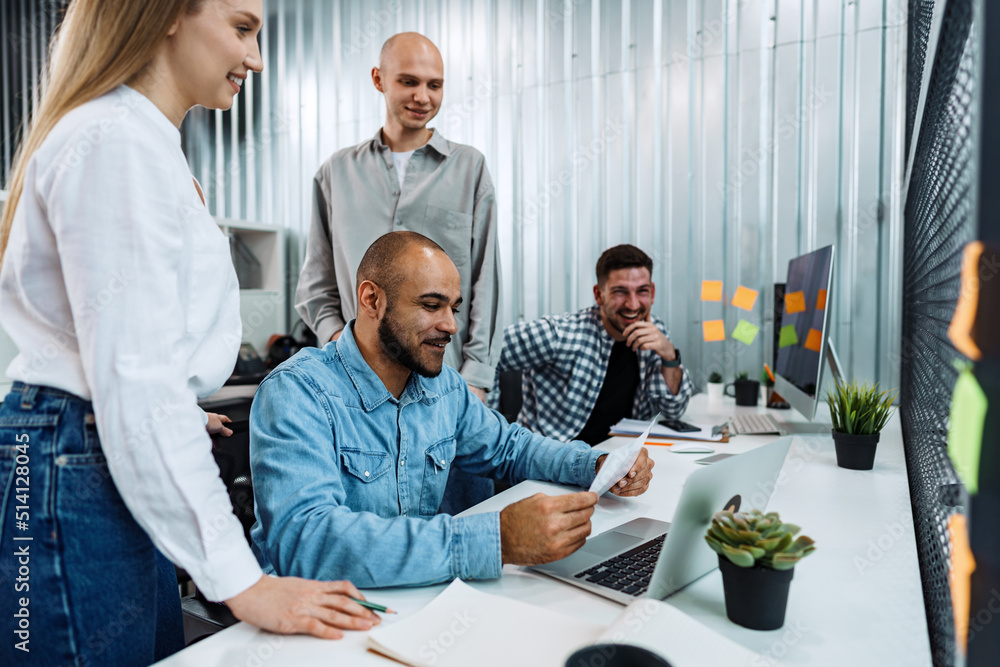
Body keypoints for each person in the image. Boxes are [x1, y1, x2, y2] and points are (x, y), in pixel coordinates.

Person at [0, 2, 377, 664]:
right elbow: (133, 375)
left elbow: (128, 359)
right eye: (242, 28)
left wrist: (162, 410)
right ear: (170, 14)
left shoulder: (144, 143)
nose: (256, 59)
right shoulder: (115, 140)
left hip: (91, 447)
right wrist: (244, 581)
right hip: (73, 459)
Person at [250, 232, 654, 587]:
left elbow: (510, 449)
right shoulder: (297, 393)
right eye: (431, 305)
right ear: (371, 300)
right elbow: (310, 543)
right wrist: (496, 539)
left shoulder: (440, 384)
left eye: (454, 308)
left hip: (413, 593)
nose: (451, 326)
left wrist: (597, 464)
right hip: (316, 614)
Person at [294, 31, 502, 513]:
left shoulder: (469, 168)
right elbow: (316, 283)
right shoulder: (335, 173)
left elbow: (485, 280)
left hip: (444, 392)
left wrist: (475, 378)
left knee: (459, 536)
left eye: (435, 85)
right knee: (367, 545)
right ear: (378, 80)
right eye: (409, 82)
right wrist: (338, 348)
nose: (423, 97)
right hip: (352, 401)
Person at [488, 244, 694, 445]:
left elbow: (672, 410)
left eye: (642, 291)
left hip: (618, 458)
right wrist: (493, 434)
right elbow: (488, 352)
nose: (633, 304)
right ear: (598, 294)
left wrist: (669, 355)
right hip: (553, 461)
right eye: (620, 292)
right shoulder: (560, 333)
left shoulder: (653, 332)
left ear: (653, 292)